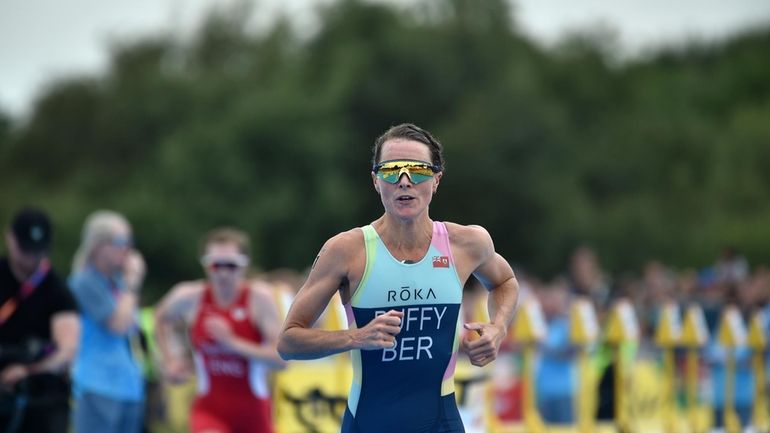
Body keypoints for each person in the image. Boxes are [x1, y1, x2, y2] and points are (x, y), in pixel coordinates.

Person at [277, 123, 520, 433]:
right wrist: (356, 337)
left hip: (440, 422)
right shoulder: (347, 251)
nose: (404, 181)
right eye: (391, 171)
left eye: (417, 170)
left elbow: (505, 282)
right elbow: (288, 341)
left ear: (436, 180)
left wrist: (498, 327)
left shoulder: (467, 243)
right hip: (370, 421)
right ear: (376, 182)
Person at [154, 227, 286, 433]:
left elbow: (281, 360)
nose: (223, 273)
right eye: (216, 265)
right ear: (205, 264)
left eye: (231, 266)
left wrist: (232, 342)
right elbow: (160, 317)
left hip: (254, 413)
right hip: (210, 410)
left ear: (244, 264)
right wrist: (170, 359)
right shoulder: (190, 296)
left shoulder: (259, 299)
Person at [0, 207, 80, 433]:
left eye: (38, 251)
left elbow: (67, 350)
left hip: (41, 395)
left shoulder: (58, 290)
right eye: (26, 250)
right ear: (10, 239)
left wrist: (29, 370)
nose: (31, 258)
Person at [69, 210, 146, 433]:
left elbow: (132, 327)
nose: (127, 249)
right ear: (98, 246)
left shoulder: (117, 283)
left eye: (130, 242)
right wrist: (133, 282)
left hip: (128, 386)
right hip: (97, 386)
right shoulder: (84, 282)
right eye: (121, 241)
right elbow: (117, 324)